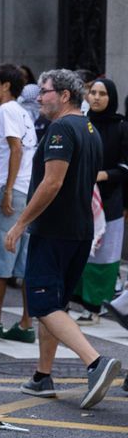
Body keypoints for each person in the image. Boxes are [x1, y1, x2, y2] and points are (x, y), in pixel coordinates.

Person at [9, 70, 121, 407]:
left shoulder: (61, 129)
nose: (39, 98)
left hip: (54, 230)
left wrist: (20, 223)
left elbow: (53, 182)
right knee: (54, 306)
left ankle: (95, 362)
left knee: (43, 304)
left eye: (44, 91)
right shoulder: (89, 128)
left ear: (64, 95)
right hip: (79, 231)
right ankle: (42, 376)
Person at [0, 63, 37, 342]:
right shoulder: (24, 112)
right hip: (27, 189)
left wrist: (7, 190)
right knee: (23, 259)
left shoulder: (7, 110)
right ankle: (26, 324)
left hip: (10, 187)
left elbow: (16, 148)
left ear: (6, 86)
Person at [73, 78, 128, 324]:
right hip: (80, 198)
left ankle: (94, 306)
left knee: (104, 257)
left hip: (110, 201)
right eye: (93, 92)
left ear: (111, 98)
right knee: (81, 252)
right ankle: (78, 301)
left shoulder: (121, 127)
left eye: (102, 93)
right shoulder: (82, 123)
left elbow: (125, 167)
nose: (96, 97)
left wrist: (103, 175)